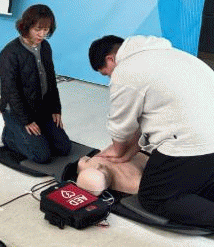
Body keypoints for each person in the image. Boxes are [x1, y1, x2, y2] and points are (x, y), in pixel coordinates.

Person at [88, 34, 214, 227]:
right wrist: (133, 148)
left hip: (193, 143)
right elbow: (157, 113)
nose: (110, 78)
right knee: (201, 184)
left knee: (153, 196)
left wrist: (117, 150)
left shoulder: (125, 71)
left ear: (110, 59)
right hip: (206, 140)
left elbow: (121, 125)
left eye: (107, 74)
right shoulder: (173, 55)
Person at [0, 4, 71, 163]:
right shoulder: (9, 53)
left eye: (46, 30)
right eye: (38, 29)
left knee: (64, 148)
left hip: (41, 108)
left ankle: (36, 136)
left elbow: (51, 81)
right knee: (41, 155)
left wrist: (56, 109)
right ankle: (6, 133)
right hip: (17, 112)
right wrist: (26, 121)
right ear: (26, 26)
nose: (42, 34)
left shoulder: (45, 47)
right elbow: (11, 92)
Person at [76, 142, 148, 196]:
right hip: (143, 153)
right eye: (101, 171)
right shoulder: (131, 183)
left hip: (122, 143)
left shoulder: (83, 165)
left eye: (93, 168)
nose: (98, 166)